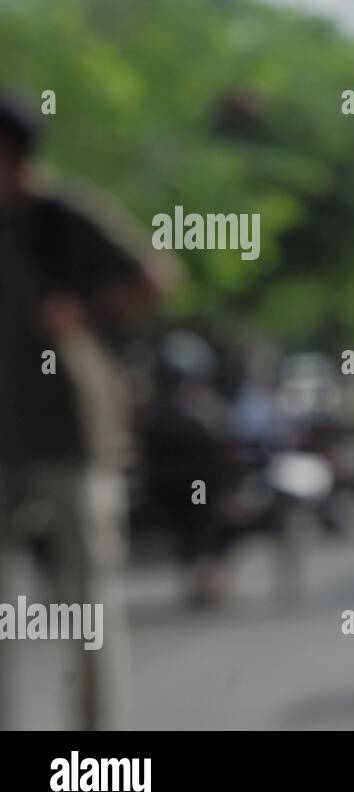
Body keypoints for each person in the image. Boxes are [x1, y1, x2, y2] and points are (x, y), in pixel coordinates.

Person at [0, 96, 173, 728]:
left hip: (70, 430)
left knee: (84, 597)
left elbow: (154, 277)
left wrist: (86, 313)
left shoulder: (62, 216)